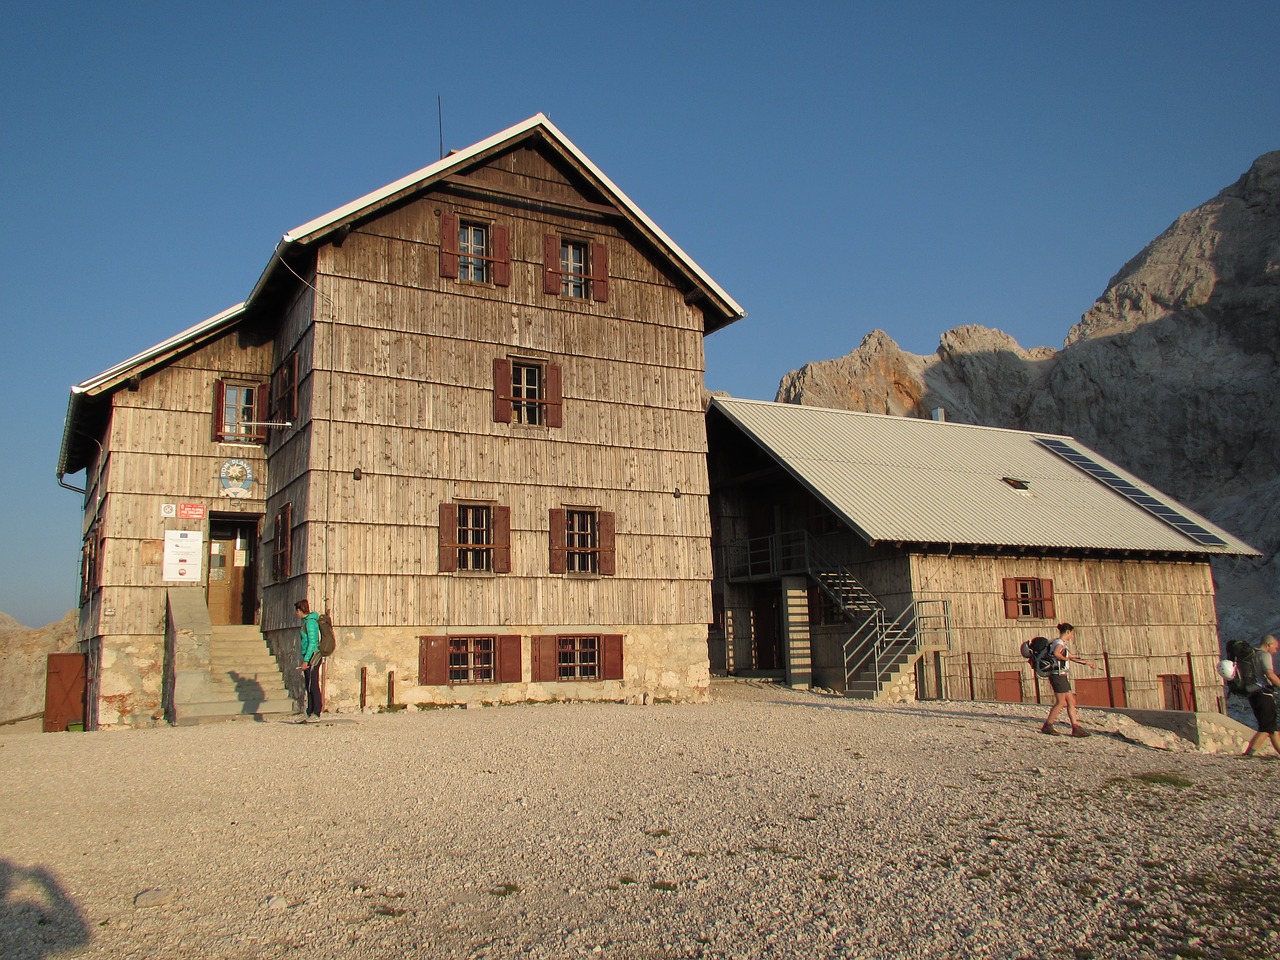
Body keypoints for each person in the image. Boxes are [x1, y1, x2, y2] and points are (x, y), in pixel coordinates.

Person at [1040, 622, 1098, 738]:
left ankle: (1075, 727)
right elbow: (1057, 654)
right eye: (1072, 633)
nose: (1072, 635)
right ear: (1068, 632)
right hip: (1058, 675)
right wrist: (1064, 658)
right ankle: (1048, 725)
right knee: (1061, 702)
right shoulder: (1059, 643)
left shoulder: (1059, 643)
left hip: (1061, 676)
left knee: (1071, 702)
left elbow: (1071, 657)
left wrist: (1087, 663)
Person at [1242, 634, 1280, 757]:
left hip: (1253, 694)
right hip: (1264, 694)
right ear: (1269, 644)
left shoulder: (1252, 655)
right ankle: (1249, 754)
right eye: (1275, 647)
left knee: (1272, 727)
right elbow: (1270, 674)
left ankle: (1250, 753)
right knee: (1266, 727)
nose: (1276, 651)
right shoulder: (1264, 655)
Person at [295, 599, 322, 721]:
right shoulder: (306, 622)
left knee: (313, 684)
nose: (296, 614)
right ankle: (309, 711)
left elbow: (312, 642)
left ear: (300, 610)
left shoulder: (310, 623)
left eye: (297, 611)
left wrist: (306, 660)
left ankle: (316, 712)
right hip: (309, 655)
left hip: (312, 657)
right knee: (309, 684)